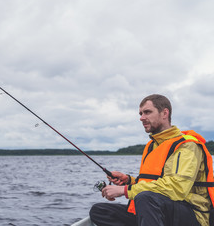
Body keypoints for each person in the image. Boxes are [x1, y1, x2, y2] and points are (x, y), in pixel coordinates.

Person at [89, 94, 214, 226]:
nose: (142, 118)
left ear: (164, 113)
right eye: (141, 113)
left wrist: (125, 191)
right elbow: (154, 182)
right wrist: (129, 181)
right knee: (99, 211)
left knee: (145, 198)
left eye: (147, 112)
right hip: (158, 210)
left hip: (192, 214)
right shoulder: (152, 145)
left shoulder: (187, 145)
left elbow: (176, 188)